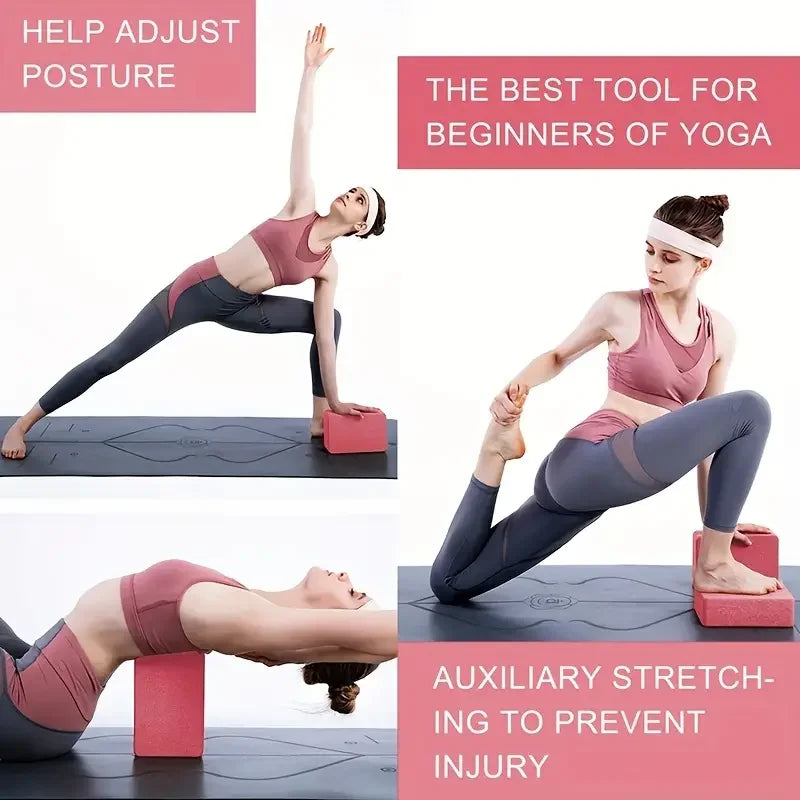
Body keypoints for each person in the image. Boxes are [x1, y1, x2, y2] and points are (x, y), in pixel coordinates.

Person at [2, 23, 387, 460]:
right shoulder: (303, 203)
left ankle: (319, 418)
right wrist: (310, 72)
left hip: (246, 309)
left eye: (359, 201)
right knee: (111, 358)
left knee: (330, 320)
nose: (350, 195)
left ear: (360, 226)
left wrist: (336, 402)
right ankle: (22, 424)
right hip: (196, 291)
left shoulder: (327, 267)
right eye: (353, 189)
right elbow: (303, 131)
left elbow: (323, 335)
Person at [431, 194, 781, 605]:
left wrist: (717, 525)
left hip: (586, 490)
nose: (653, 266)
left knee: (452, 584)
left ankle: (493, 452)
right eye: (649, 252)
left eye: (670, 258)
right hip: (588, 461)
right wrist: (515, 389)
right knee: (752, 407)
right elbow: (559, 355)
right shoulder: (621, 307)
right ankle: (714, 568)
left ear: (702, 264)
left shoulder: (719, 333)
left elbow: (713, 441)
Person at [0, 559, 396, 761]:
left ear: (338, 623)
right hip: (37, 673)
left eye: (353, 593)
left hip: (31, 703)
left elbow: (392, 635)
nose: (345, 575)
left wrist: (445, 620)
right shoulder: (249, 605)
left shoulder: (251, 621)